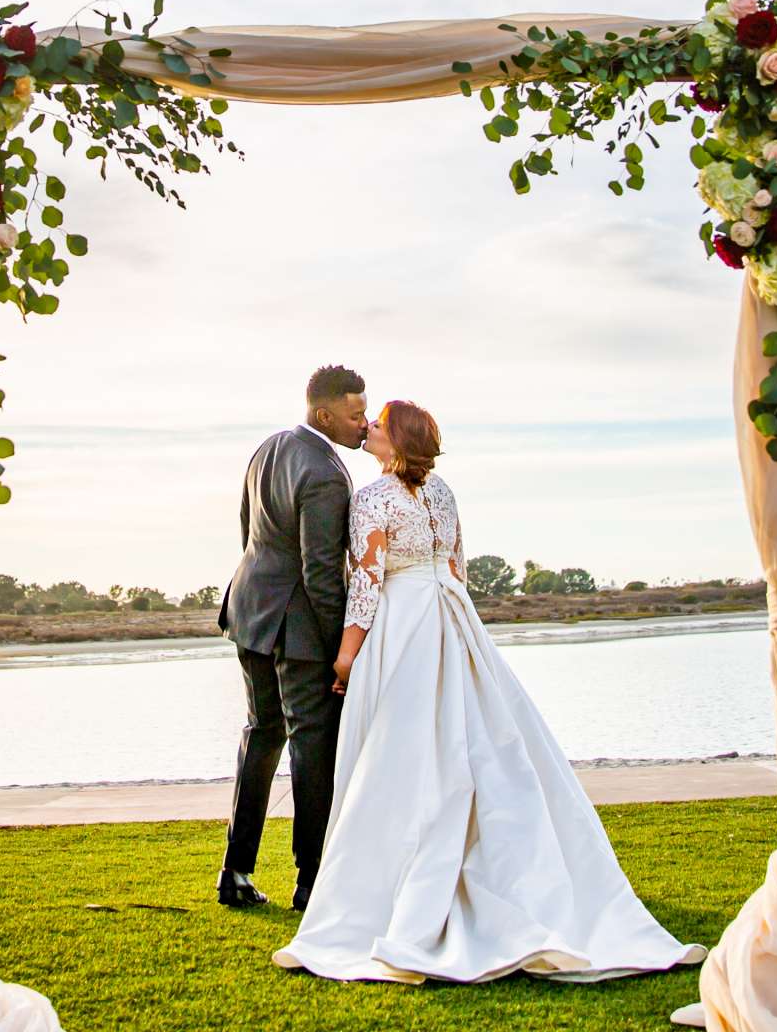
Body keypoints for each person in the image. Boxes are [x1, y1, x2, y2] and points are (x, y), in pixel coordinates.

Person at [275, 400, 705, 984]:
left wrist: (347, 655)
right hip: (451, 616)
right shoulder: (444, 493)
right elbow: (456, 567)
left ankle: (402, 892)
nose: (369, 427)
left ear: (395, 440)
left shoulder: (372, 498)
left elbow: (369, 581)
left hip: (403, 623)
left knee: (402, 755)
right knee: (478, 742)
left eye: (378, 422)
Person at [214, 364, 368, 909]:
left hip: (249, 610)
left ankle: (235, 871)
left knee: (261, 733)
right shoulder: (326, 473)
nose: (363, 424)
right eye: (354, 415)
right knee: (312, 744)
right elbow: (321, 572)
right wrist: (338, 652)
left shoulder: (269, 448)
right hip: (298, 627)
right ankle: (311, 880)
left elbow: (246, 529)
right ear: (325, 414)